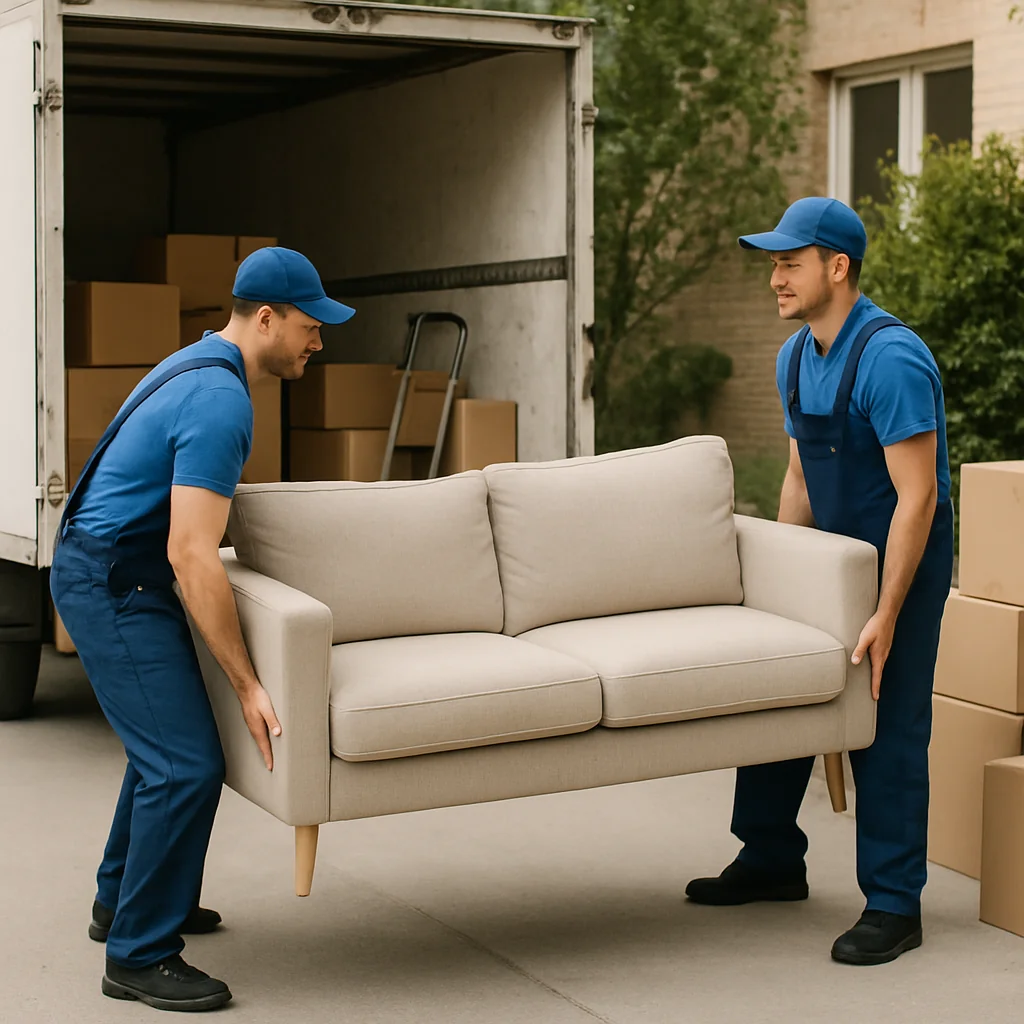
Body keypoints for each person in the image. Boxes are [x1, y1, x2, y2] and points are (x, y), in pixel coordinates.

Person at [50, 247, 356, 1011]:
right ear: (265, 318)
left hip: (112, 567)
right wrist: (248, 682)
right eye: (310, 325)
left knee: (167, 748)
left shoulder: (197, 363)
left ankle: (121, 901)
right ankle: (139, 953)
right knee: (185, 764)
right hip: (114, 579)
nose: (318, 341)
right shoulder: (222, 403)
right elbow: (193, 554)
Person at [685, 197, 954, 966]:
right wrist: (782, 587)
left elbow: (919, 497)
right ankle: (771, 857)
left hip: (902, 560)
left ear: (838, 268)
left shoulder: (891, 358)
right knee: (780, 689)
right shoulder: (796, 355)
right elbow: (801, 478)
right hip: (831, 562)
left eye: (789, 262)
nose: (775, 277)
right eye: (773, 263)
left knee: (886, 720)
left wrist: (889, 610)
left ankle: (896, 904)